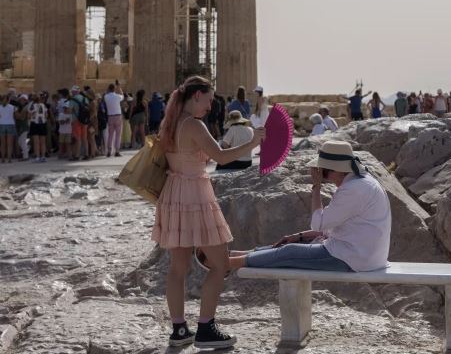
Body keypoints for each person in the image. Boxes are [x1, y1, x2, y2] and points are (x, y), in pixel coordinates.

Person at [151, 76, 265, 349]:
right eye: (209, 98)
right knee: (220, 263)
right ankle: (205, 328)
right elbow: (222, 158)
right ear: (197, 96)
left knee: (178, 267)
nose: (212, 104)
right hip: (195, 196)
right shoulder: (193, 124)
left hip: (173, 194)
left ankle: (179, 330)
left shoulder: (170, 122)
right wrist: (253, 142)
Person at [211, 141, 391, 274]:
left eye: (324, 172)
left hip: (354, 259)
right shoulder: (362, 182)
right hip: (365, 254)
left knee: (289, 252)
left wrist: (316, 186)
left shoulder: (353, 189)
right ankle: (235, 254)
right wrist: (298, 236)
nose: (323, 175)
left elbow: (318, 224)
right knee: (288, 245)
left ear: (335, 169)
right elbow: (332, 229)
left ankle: (226, 264)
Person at [103, 83, 124, 157]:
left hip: (110, 117)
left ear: (109, 89)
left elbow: (105, 94)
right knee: (118, 134)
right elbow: (122, 96)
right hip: (118, 116)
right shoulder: (117, 96)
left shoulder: (106, 96)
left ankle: (109, 151)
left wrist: (108, 90)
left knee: (110, 135)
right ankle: (117, 151)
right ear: (114, 89)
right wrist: (119, 87)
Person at [0, 95, 17, 163]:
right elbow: (15, 116)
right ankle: (9, 158)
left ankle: (2, 158)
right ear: (9, 100)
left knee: (2, 143)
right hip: (10, 124)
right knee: (9, 143)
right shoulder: (13, 107)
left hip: (1, 124)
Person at [28, 94, 48, 163]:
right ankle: (43, 156)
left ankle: (37, 157)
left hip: (35, 123)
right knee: (43, 141)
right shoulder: (43, 105)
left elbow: (29, 115)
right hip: (42, 123)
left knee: (36, 141)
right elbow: (46, 115)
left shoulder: (32, 105)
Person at [15, 95, 30, 161]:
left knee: (22, 141)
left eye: (23, 100)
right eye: (20, 99)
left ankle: (25, 156)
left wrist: (17, 114)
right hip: (20, 126)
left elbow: (22, 117)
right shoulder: (20, 107)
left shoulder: (26, 107)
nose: (21, 101)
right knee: (20, 141)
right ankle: (25, 153)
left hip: (24, 126)